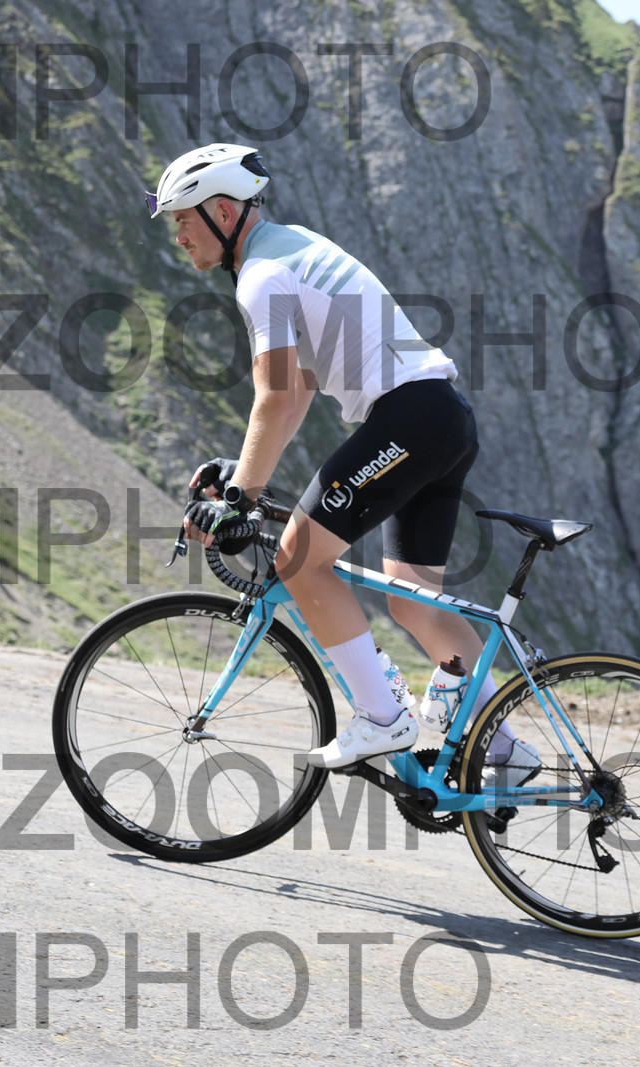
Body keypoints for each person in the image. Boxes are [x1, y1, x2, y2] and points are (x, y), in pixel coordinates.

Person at [149, 142, 536, 785]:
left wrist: (239, 500)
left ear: (223, 211)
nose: (179, 236)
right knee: (414, 603)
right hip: (440, 417)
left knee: (299, 558)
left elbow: (275, 397)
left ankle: (383, 719)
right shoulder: (290, 247)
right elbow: (298, 386)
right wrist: (242, 474)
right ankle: (505, 750)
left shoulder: (261, 275)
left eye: (184, 220)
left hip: (409, 419)